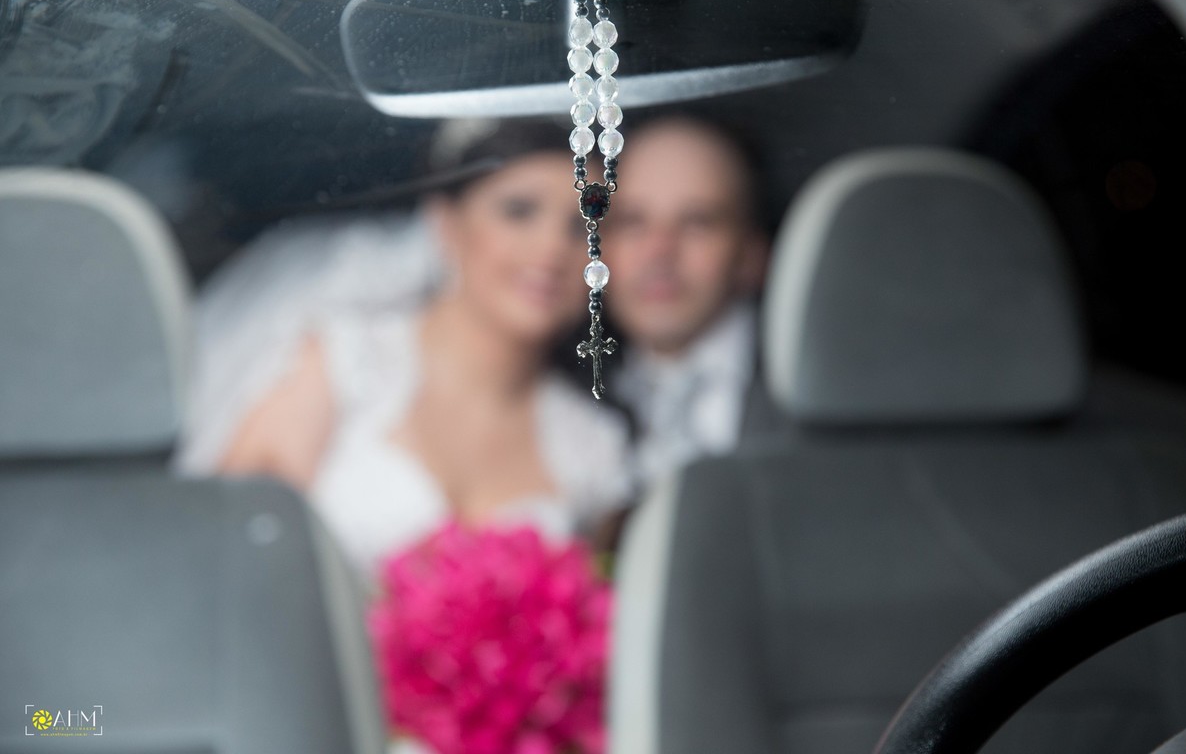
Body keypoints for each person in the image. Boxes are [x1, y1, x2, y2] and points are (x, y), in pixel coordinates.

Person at [176, 119, 631, 582]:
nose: (552, 248)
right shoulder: (342, 360)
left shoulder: (594, 447)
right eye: (519, 211)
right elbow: (230, 556)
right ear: (446, 222)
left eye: (581, 227)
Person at [602, 115, 774, 484]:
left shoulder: (817, 387)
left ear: (752, 253)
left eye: (698, 222)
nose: (659, 251)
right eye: (631, 221)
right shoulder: (568, 387)